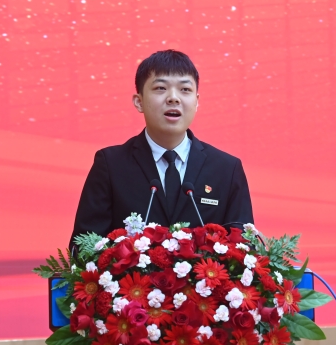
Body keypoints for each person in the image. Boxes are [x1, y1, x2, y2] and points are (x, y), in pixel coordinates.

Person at [69, 50, 253, 247]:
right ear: (139, 102)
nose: (173, 98)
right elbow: (83, 247)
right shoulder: (111, 166)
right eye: (160, 88)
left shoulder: (226, 169)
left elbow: (244, 247)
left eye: (185, 89)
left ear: (197, 102)